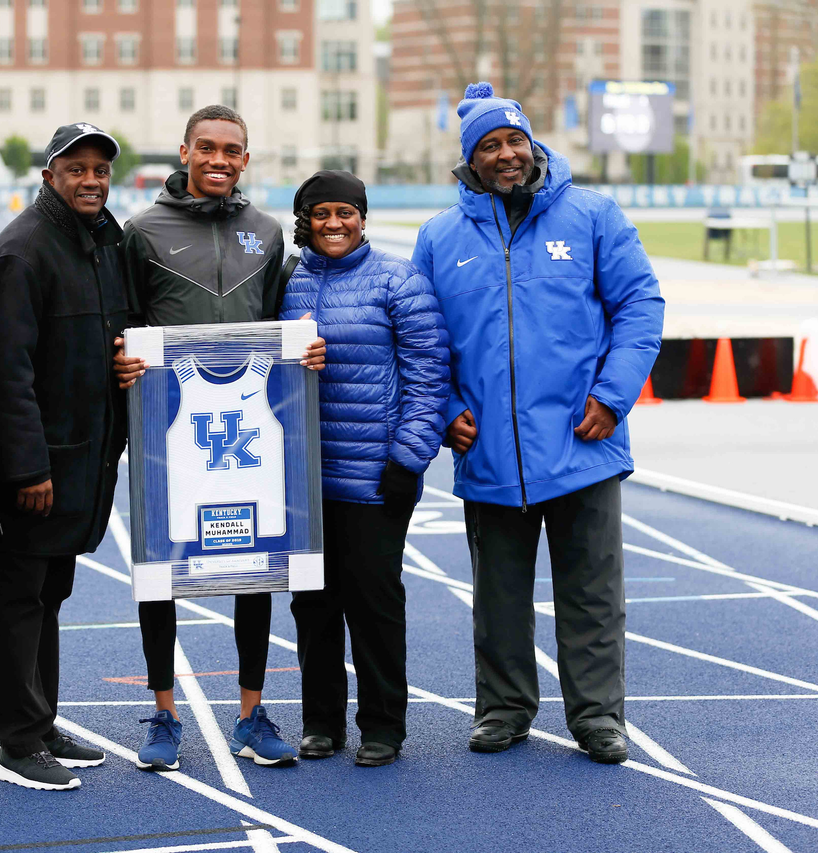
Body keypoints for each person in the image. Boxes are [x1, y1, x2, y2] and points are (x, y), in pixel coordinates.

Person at [411, 83, 664, 763]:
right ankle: (503, 706)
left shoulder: (591, 215)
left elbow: (641, 303)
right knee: (498, 600)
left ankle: (598, 716)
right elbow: (421, 339)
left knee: (592, 594)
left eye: (514, 140)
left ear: (533, 143)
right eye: (489, 145)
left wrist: (613, 396)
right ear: (471, 158)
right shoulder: (439, 239)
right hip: (489, 449)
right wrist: (443, 411)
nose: (505, 155)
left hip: (585, 440)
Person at [112, 105, 325, 772]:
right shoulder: (141, 231)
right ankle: (165, 712)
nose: (218, 160)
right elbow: (124, 323)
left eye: (231, 150)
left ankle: (250, 713)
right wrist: (119, 356)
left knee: (254, 566)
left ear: (245, 159)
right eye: (206, 147)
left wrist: (306, 352)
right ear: (184, 151)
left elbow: (284, 322)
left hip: (247, 431)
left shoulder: (265, 232)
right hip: (168, 430)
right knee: (159, 567)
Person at [0, 123, 128, 791]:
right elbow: (6, 373)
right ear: (48, 175)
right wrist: (27, 466)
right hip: (39, 467)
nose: (91, 180)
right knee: (17, 596)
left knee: (50, 593)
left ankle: (42, 719)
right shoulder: (23, 251)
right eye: (77, 169)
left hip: (84, 457)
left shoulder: (103, 244)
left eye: (100, 169)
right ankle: (16, 740)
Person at [278, 171, 450, 767]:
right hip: (303, 480)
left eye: (345, 212)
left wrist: (409, 456)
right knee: (313, 606)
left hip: (377, 479)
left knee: (374, 605)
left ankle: (383, 726)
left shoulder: (399, 280)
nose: (333, 224)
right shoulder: (286, 281)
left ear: (363, 217)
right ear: (303, 218)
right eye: (321, 213)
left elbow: (431, 374)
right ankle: (320, 723)